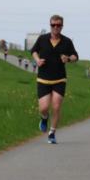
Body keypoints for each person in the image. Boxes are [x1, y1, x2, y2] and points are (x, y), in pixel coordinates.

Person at [31, 15, 78, 144]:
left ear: (62, 26)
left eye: (58, 25)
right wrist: (37, 60)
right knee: (44, 108)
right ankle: (44, 118)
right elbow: (34, 51)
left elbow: (75, 56)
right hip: (43, 79)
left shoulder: (67, 41)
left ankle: (52, 133)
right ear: (50, 25)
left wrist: (68, 59)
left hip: (59, 79)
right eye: (53, 25)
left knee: (56, 106)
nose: (56, 27)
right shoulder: (42, 39)